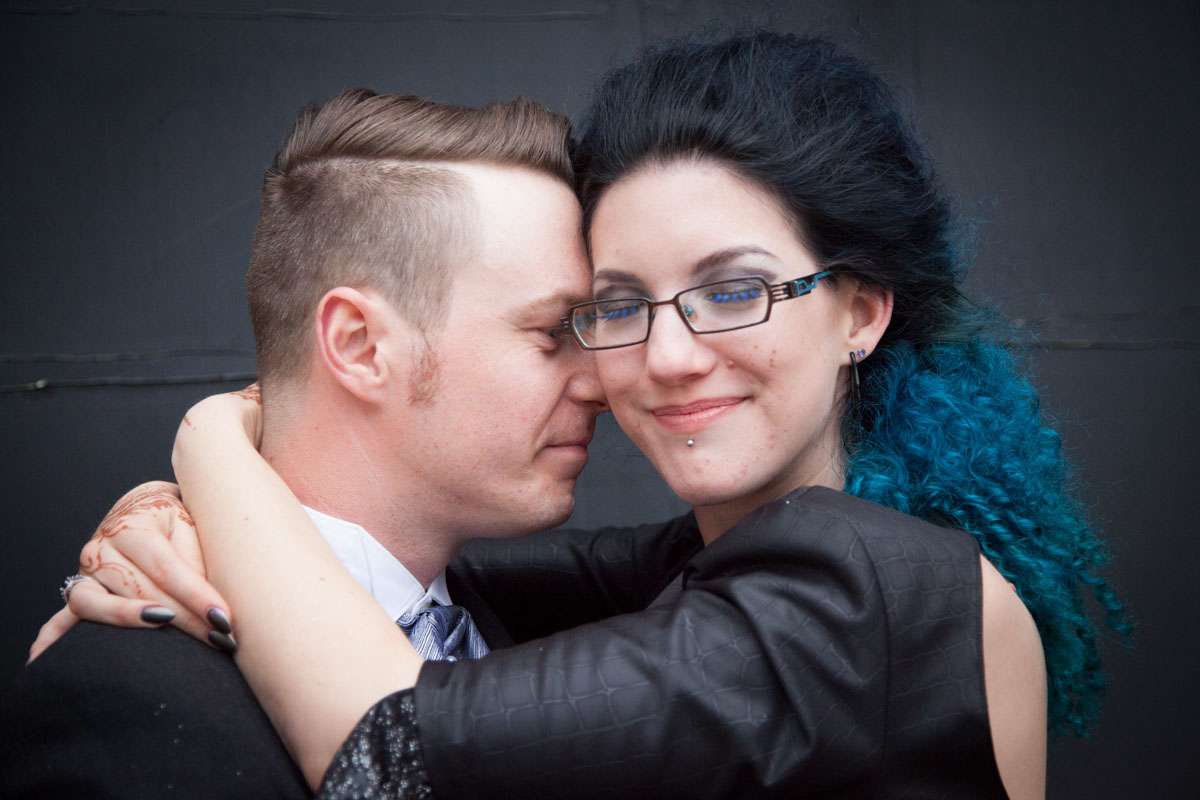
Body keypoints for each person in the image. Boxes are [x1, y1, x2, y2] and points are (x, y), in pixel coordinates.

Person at [34, 32, 1127, 799]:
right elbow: (424, 574)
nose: (654, 359)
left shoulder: (868, 589)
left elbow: (388, 747)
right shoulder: (698, 568)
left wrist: (213, 440)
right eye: (616, 306)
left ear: (862, 311)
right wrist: (175, 522)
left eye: (735, 289)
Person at [3, 89, 698, 798]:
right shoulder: (130, 704)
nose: (601, 383)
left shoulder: (531, 626)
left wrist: (211, 438)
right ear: (360, 345)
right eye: (553, 331)